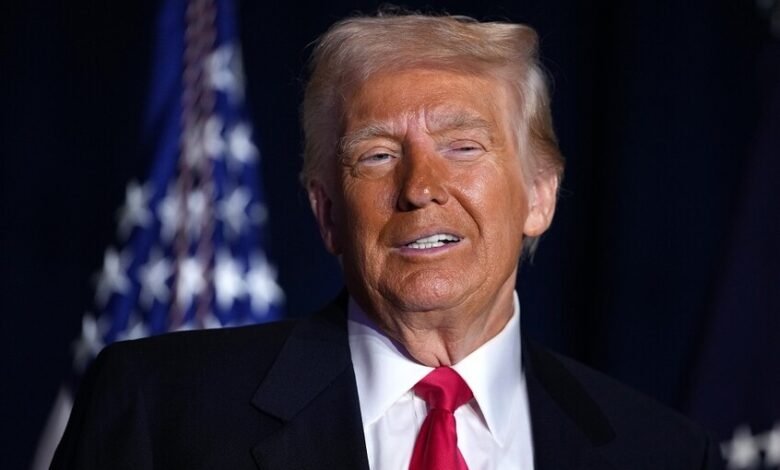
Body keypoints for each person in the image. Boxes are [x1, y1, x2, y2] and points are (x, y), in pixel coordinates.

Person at [52, 11, 724, 470]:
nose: (420, 187)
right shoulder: (158, 410)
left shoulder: (661, 452)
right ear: (326, 213)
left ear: (539, 196)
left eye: (463, 147)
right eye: (376, 155)